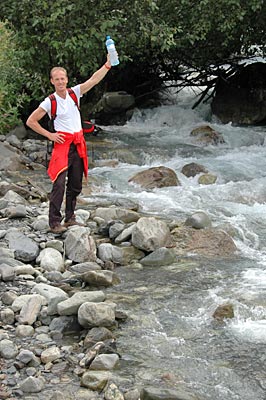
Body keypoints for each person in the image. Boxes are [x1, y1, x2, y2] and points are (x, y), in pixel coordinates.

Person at [26, 56, 112, 234]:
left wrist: (107, 65)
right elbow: (31, 121)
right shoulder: (49, 101)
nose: (60, 81)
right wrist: (50, 135)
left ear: (66, 79)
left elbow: (94, 80)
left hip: (78, 143)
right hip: (62, 145)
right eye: (56, 79)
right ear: (52, 81)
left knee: (75, 184)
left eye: (62, 78)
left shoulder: (75, 93)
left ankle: (70, 218)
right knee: (58, 184)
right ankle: (54, 222)